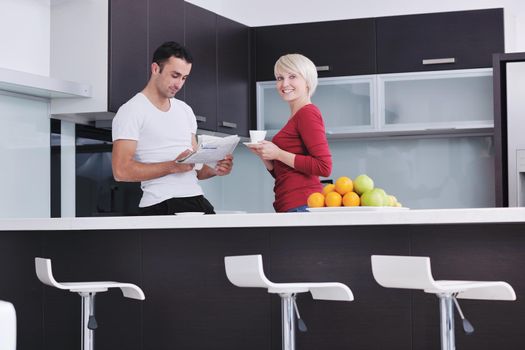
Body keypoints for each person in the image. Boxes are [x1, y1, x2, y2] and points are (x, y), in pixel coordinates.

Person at [111, 41, 233, 215]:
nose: (179, 84)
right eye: (175, 75)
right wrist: (172, 167)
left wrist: (215, 169)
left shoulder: (185, 110)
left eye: (184, 78)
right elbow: (121, 171)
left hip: (197, 200)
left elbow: (195, 170)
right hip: (161, 203)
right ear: (155, 69)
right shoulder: (131, 111)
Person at [246, 53, 332, 212]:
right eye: (279, 78)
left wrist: (278, 153)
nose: (284, 84)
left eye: (292, 76)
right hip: (291, 204)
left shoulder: (307, 113)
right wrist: (265, 155)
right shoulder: (296, 116)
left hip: (302, 204)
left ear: (307, 81)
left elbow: (324, 167)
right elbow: (285, 174)